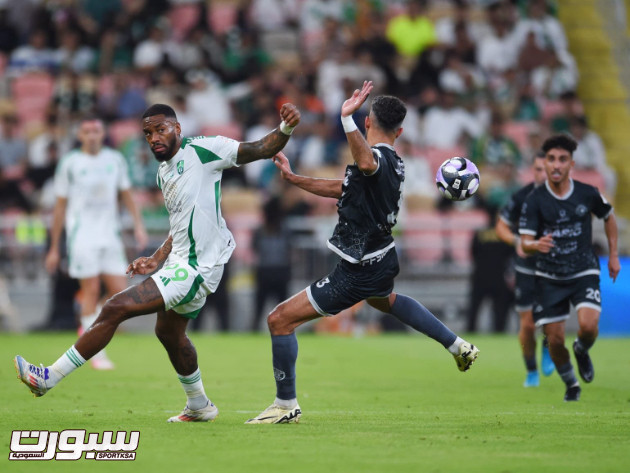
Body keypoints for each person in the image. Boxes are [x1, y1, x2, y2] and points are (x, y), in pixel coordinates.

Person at [15, 102, 302, 422]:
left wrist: (286, 128)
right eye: (147, 133)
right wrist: (156, 258)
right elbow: (179, 225)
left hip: (198, 266)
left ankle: (48, 377)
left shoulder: (205, 150)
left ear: (178, 129)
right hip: (182, 260)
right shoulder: (164, 171)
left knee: (114, 307)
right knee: (169, 333)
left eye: (160, 129)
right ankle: (199, 405)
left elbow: (260, 148)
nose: (153, 138)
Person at [246, 81, 479, 425]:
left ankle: (285, 405)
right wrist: (295, 180)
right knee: (385, 301)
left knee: (279, 320)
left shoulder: (376, 160)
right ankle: (457, 345)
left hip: (357, 271)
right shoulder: (398, 163)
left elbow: (367, 164)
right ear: (400, 131)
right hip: (382, 258)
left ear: (368, 122)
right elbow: (344, 187)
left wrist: (345, 120)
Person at [519, 134, 620, 402]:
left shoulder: (587, 193)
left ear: (571, 164)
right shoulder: (535, 199)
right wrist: (534, 244)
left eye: (562, 160)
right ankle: (571, 383)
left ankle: (582, 349)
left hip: (583, 270)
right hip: (549, 276)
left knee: (588, 326)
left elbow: (609, 217)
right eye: (551, 159)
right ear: (546, 162)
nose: (556, 165)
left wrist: (613, 256)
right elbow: (525, 242)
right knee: (554, 339)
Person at [44, 116, 148, 370]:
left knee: (120, 292)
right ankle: (95, 352)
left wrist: (138, 225)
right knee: (89, 289)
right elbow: (60, 206)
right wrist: (55, 247)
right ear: (80, 135)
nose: (92, 135)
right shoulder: (70, 163)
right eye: (87, 131)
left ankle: (88, 325)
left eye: (96, 130)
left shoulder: (115, 160)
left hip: (109, 234)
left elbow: (126, 195)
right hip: (82, 235)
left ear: (102, 134)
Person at [495, 151, 555, 387]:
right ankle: (531, 370)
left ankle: (548, 349)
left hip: (553, 269)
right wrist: (517, 241)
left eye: (546, 169)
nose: (543, 174)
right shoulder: (521, 196)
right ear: (533, 170)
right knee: (528, 324)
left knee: (551, 322)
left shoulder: (566, 196)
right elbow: (501, 226)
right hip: (527, 268)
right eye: (538, 169)